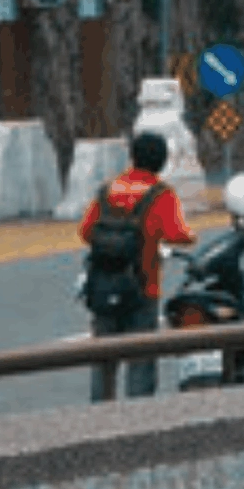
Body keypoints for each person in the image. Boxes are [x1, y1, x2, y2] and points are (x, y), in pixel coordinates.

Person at [77, 131, 194, 403]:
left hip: (102, 287)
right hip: (143, 288)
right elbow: (177, 234)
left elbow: (86, 231)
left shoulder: (108, 189)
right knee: (140, 360)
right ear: (163, 161)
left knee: (103, 361)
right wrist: (187, 237)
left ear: (132, 157)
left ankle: (98, 416)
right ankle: (137, 421)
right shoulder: (161, 194)